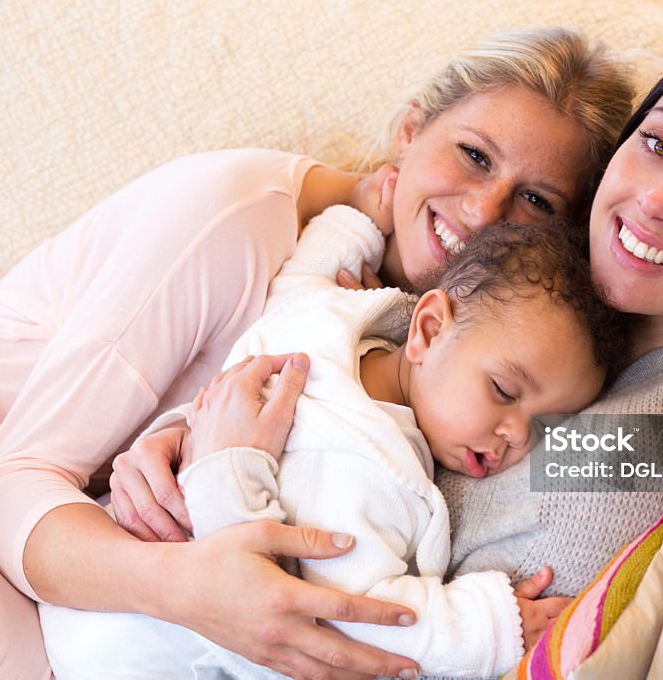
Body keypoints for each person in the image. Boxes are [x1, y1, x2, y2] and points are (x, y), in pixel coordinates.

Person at [112, 30, 663, 674]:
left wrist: (223, 475)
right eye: (659, 145)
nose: (657, 201)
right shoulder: (540, 270)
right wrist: (186, 430)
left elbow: (352, 617)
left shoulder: (606, 460)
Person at [0, 27, 632, 679]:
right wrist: (200, 590)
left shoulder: (458, 343)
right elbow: (4, 487)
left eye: (536, 202)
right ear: (410, 129)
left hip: (48, 566)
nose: (483, 213)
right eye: (473, 155)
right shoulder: (234, 222)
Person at [39, 195, 629, 676]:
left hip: (94, 593)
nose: (515, 438)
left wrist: (354, 220)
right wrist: (492, 626)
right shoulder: (367, 465)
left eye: (546, 427)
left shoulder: (327, 322)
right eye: (502, 390)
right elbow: (352, 612)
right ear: (426, 329)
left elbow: (303, 276)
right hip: (145, 652)